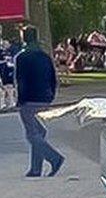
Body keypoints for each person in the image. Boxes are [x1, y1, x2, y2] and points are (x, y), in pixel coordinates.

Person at [14, 25, 65, 177]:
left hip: (29, 97)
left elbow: (20, 80)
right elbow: (52, 77)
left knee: (32, 133)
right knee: (39, 131)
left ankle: (54, 158)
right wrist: (51, 95)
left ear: (24, 38)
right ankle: (35, 168)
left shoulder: (21, 57)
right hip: (44, 96)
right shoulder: (44, 56)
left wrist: (20, 100)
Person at [0, 36, 16, 110]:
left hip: (7, 70)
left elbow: (11, 60)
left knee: (8, 86)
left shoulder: (8, 51)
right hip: (3, 70)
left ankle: (10, 102)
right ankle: (3, 103)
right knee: (4, 87)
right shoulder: (3, 52)